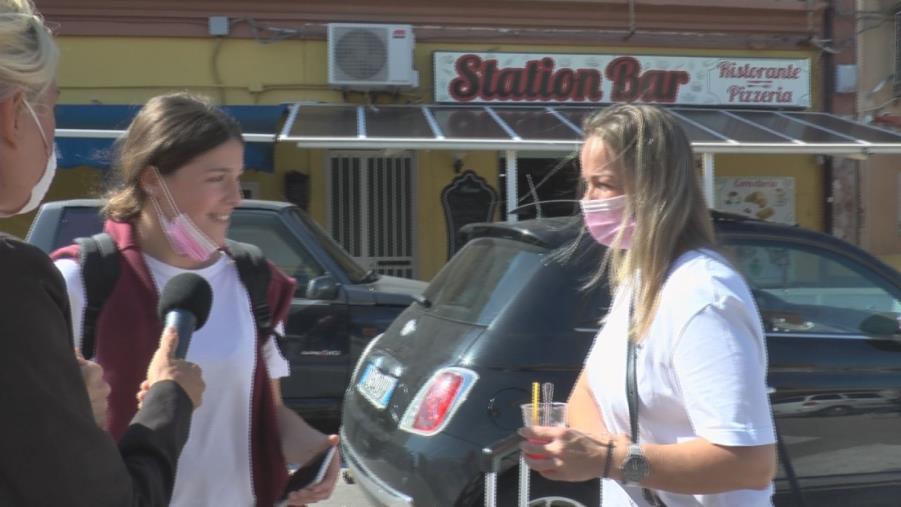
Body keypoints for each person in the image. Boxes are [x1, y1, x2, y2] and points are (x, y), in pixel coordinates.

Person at [51, 91, 341, 507]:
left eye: (238, 178)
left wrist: (316, 448)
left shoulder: (255, 281)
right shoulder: (78, 281)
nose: (236, 196)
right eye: (216, 178)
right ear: (152, 179)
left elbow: (269, 414)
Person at [0, 1, 205, 505]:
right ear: (12, 115)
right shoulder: (19, 282)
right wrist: (167, 401)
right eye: (50, 107)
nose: (52, 134)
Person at [520, 104, 777, 506]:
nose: (588, 200)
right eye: (586, 184)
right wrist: (582, 452)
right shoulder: (641, 279)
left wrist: (613, 460)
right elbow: (586, 394)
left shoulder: (703, 296)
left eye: (602, 184)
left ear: (654, 188)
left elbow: (748, 464)